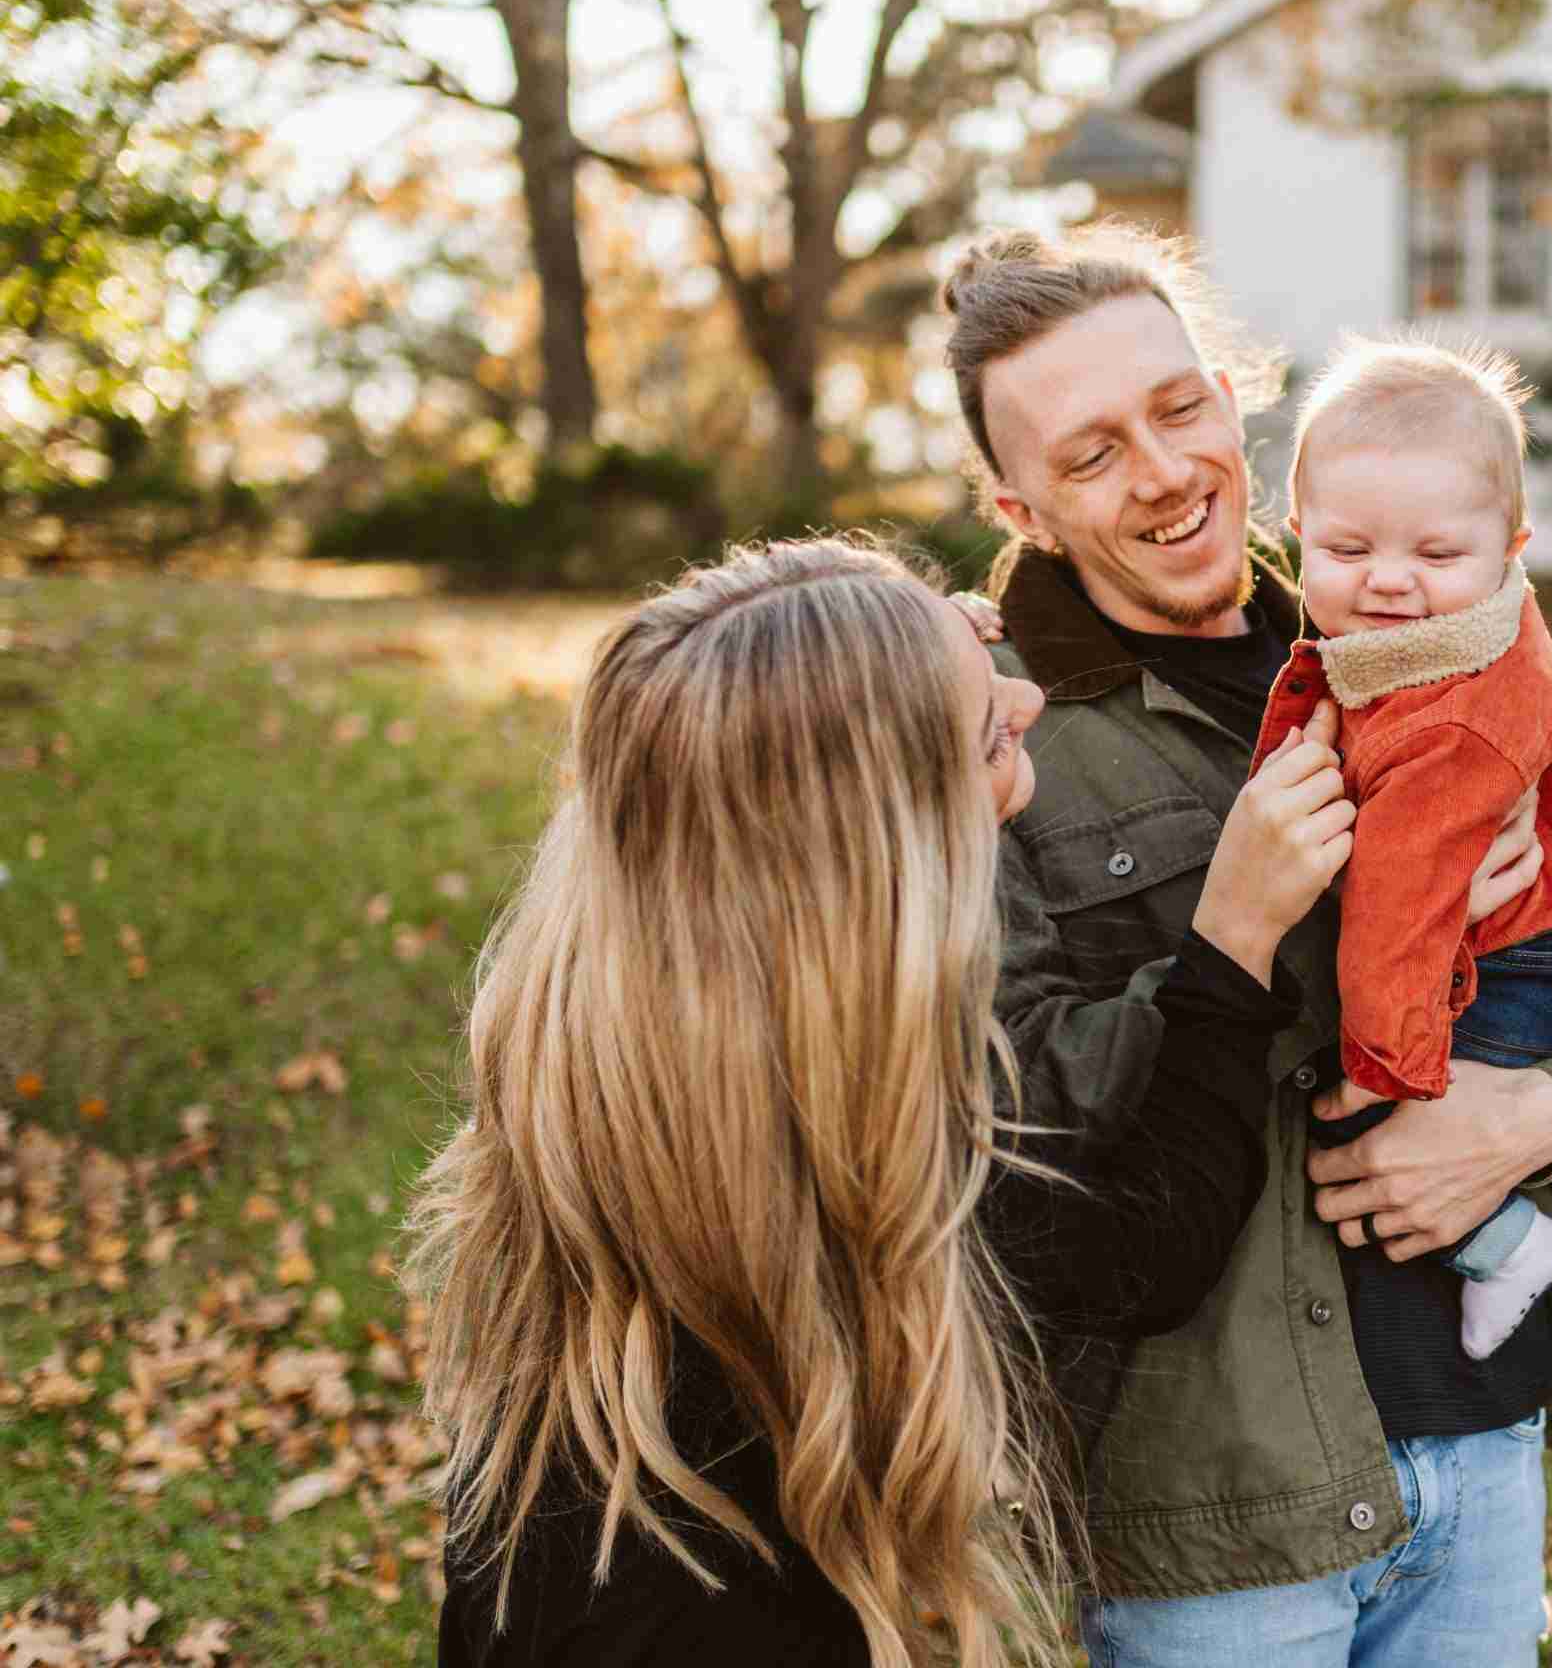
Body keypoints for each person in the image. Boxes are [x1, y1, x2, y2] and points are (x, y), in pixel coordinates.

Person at [948, 224, 1552, 1667]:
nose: (1165, 473)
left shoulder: (1408, 614)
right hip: (1219, 1506)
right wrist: (1266, 935)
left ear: (1236, 394)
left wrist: (1534, 1113)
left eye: (1180, 408)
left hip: (1476, 1432)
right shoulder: (988, 725)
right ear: (1023, 506)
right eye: (1092, 454)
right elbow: (1003, 1099)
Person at [413, 536, 1367, 1668]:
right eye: (985, 730)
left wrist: (902, 637)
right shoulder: (851, 1119)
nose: (1027, 694)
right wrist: (1235, 940)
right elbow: (1137, 1249)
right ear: (880, 849)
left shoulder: (639, 974)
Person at [1253, 334, 1552, 1364]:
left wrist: (1379, 1066)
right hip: (1529, 937)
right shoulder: (1415, 655)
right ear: (1295, 534)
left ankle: (1515, 1246)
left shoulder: (1447, 723)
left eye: (1436, 555)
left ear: (1511, 547)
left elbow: (1400, 911)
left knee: (1348, 1113)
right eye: (1347, 551)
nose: (1389, 584)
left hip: (1529, 956)